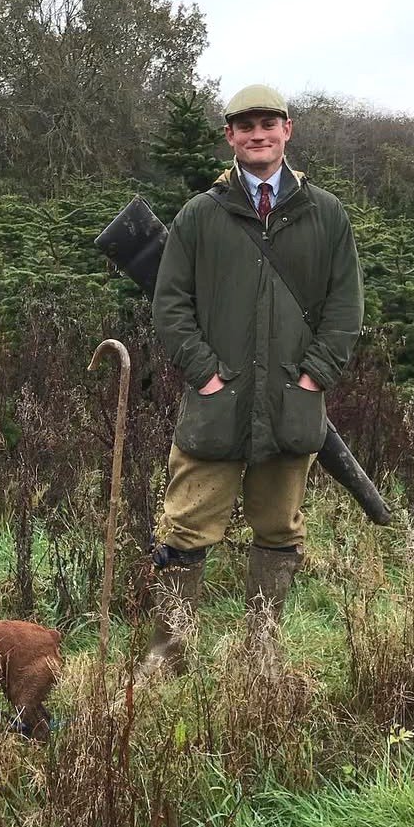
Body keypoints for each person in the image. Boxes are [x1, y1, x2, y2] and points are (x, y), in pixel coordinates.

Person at [136, 84, 364, 682]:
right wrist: (205, 374)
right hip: (215, 407)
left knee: (279, 529)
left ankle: (261, 656)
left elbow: (346, 309)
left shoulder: (327, 214)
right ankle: (168, 659)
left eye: (268, 123)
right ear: (230, 137)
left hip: (293, 406)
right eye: (245, 126)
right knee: (184, 528)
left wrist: (316, 376)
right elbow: (171, 306)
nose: (257, 134)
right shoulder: (200, 215)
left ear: (287, 129)